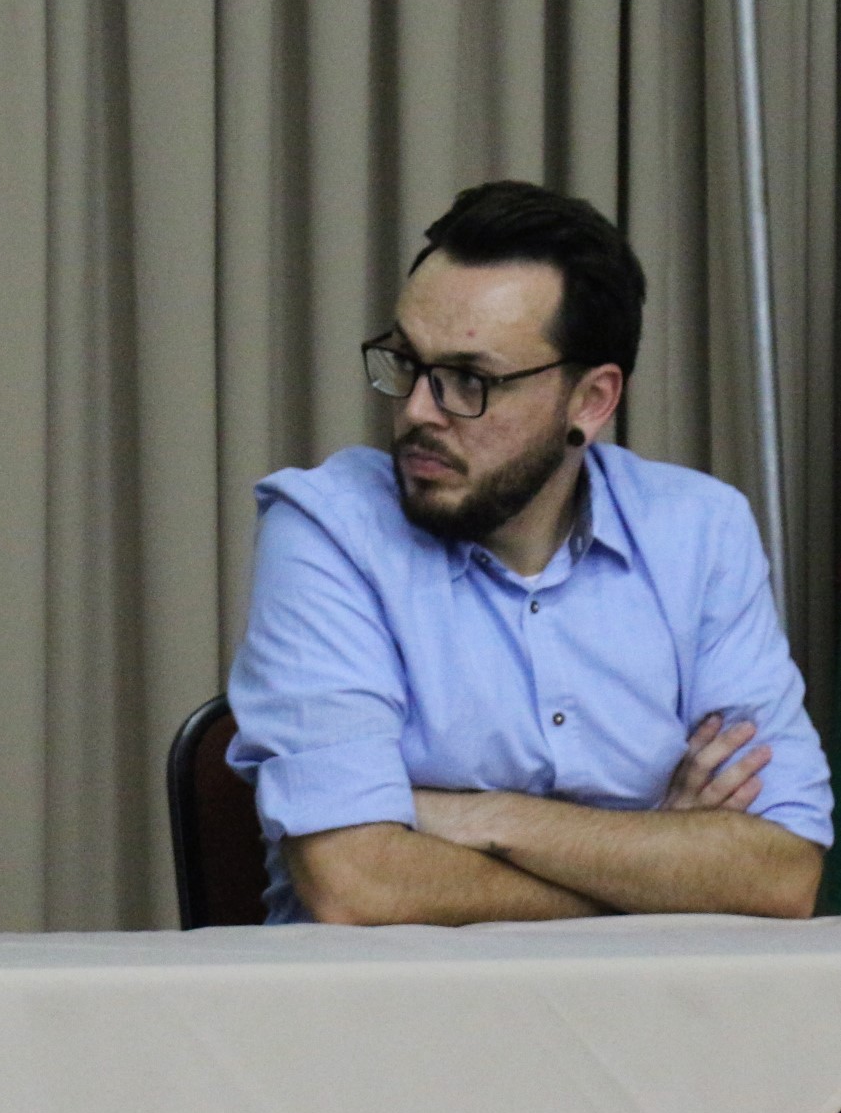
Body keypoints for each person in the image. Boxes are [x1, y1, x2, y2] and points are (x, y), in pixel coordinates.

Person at [227, 180, 832, 925]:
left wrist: (482, 818)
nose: (416, 410)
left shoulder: (700, 530)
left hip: (654, 998)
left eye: (469, 380)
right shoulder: (327, 528)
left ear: (591, 401)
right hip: (391, 994)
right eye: (406, 362)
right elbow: (357, 883)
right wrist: (658, 865)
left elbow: (782, 874)